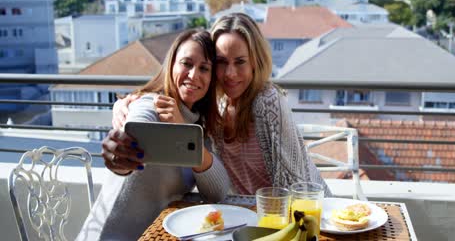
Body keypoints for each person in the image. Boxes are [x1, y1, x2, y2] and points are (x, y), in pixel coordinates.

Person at [112, 13, 331, 198]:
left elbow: (295, 187)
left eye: (240, 62)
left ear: (255, 62)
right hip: (248, 218)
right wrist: (124, 104)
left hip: (305, 215)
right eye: (221, 62)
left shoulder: (267, 102)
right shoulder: (214, 106)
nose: (230, 74)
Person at [76, 29, 230, 241]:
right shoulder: (150, 104)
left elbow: (218, 192)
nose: (194, 75)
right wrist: (119, 153)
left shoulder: (198, 125)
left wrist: (182, 129)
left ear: (211, 79)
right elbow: (134, 132)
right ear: (171, 66)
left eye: (204, 68)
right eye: (186, 63)